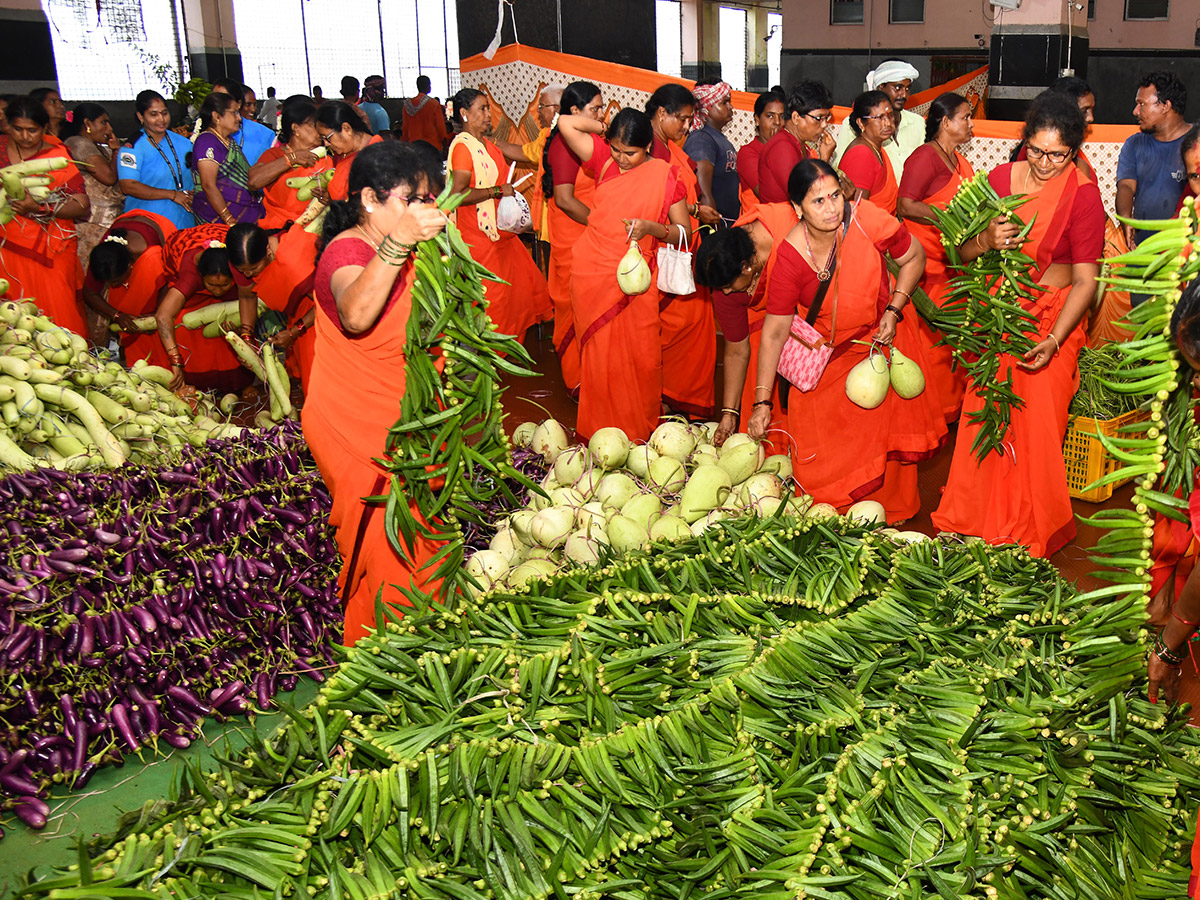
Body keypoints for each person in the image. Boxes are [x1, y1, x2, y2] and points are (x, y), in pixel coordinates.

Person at [931, 93, 1104, 558]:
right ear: (1024, 140)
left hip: (1053, 320)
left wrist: (1054, 338)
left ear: (1075, 150)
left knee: (1038, 427)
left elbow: (1088, 280)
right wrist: (985, 239)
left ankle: (1032, 525)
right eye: (1036, 150)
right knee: (984, 416)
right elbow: (957, 253)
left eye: (1058, 155)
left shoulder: (1084, 196)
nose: (1045, 163)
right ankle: (973, 517)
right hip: (1000, 316)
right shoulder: (1001, 179)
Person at [305, 141, 449, 643]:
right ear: (370, 198)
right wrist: (399, 243)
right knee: (387, 549)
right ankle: (381, 662)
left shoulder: (406, 249)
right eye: (413, 200)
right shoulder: (348, 251)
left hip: (403, 418)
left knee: (415, 547)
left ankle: (416, 654)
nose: (424, 210)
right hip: (357, 425)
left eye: (429, 199)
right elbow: (357, 314)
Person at [747, 160, 942, 522]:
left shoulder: (868, 221)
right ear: (797, 209)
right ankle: (833, 515)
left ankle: (889, 514)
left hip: (877, 346)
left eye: (835, 195)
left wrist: (894, 309)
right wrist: (762, 401)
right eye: (817, 201)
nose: (832, 208)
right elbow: (775, 330)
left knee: (883, 438)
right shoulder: (790, 255)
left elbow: (915, 256)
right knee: (819, 455)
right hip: (824, 361)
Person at [556, 108, 692, 441]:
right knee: (601, 359)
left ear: (647, 146)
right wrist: (607, 128)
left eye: (629, 152)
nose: (622, 158)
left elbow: (683, 232)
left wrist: (651, 228)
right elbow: (565, 123)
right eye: (616, 149)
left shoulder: (664, 174)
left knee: (642, 358)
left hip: (635, 280)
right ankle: (600, 432)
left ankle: (636, 432)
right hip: (593, 275)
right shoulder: (603, 159)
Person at [448, 88, 552, 343]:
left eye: (487, 108)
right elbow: (456, 194)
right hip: (478, 235)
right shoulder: (463, 148)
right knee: (493, 297)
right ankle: (490, 352)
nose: (488, 114)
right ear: (464, 114)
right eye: (482, 109)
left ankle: (505, 347)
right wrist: (496, 191)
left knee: (518, 290)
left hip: (500, 234)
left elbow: (521, 156)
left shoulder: (486, 144)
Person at [693, 200, 798, 451]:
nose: (726, 292)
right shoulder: (725, 282)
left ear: (746, 267)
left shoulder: (793, 236)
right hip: (764, 336)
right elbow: (737, 349)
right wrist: (729, 412)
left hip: (806, 331)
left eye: (728, 285)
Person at [897, 92, 975, 425]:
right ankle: (928, 413)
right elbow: (905, 205)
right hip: (926, 265)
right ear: (945, 122)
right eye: (966, 117)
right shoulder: (924, 157)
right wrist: (947, 217)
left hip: (955, 264)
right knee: (933, 341)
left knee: (955, 341)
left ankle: (949, 409)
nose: (971, 124)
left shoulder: (959, 160)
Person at [645, 83, 717, 421]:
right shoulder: (652, 152)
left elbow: (685, 186)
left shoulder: (669, 147)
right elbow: (655, 203)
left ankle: (675, 399)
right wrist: (691, 212)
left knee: (691, 330)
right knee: (673, 330)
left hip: (686, 245)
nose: (688, 127)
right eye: (684, 119)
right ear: (662, 114)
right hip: (667, 251)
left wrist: (697, 207)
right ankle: (664, 397)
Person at [0, 96, 90, 335]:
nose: (25, 136)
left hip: (51, 249)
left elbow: (82, 206)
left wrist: (39, 207)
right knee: (12, 320)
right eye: (18, 129)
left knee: (58, 315)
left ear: (45, 128)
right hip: (6, 249)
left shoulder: (57, 156)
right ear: (8, 125)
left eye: (33, 130)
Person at [539, 81, 604, 394]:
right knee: (572, 309)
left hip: (587, 233)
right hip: (575, 234)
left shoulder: (584, 142)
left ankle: (591, 377)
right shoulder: (564, 145)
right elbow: (565, 199)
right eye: (595, 109)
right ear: (574, 112)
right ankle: (578, 382)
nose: (601, 115)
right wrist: (600, 225)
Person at [226, 221, 320, 392]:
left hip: (321, 312)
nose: (247, 274)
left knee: (318, 378)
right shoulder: (242, 262)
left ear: (268, 251)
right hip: (298, 314)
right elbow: (247, 296)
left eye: (253, 268)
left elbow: (326, 302)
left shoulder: (293, 262)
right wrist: (247, 338)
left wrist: (297, 329)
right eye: (242, 270)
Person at [155, 223, 250, 392]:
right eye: (211, 284)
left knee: (237, 319)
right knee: (184, 327)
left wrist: (246, 334)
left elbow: (248, 299)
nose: (218, 291)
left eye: (224, 285)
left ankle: (242, 382)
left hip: (222, 242)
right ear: (201, 276)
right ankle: (196, 381)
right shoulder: (190, 275)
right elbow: (163, 316)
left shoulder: (240, 268)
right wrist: (175, 360)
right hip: (185, 257)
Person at [63, 102, 126, 345]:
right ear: (87, 124)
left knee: (106, 288)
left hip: (105, 225)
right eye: (103, 122)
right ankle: (90, 346)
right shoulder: (79, 144)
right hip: (92, 227)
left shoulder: (93, 146)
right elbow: (109, 178)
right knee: (93, 288)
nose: (108, 127)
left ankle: (99, 345)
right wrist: (116, 151)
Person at [83, 210, 177, 364]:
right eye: (109, 283)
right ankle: (128, 348)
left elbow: (169, 283)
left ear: (130, 265)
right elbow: (89, 292)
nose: (111, 285)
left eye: (115, 281)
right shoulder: (104, 256)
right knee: (126, 306)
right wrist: (117, 315)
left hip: (156, 256)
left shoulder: (151, 254)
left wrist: (158, 314)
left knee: (155, 309)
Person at [1117, 70, 1190, 250]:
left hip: (1186, 252)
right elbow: (1126, 186)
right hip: (1142, 249)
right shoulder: (1134, 144)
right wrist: (1126, 219)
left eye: (1141, 104)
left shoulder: (1195, 143)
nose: (1135, 111)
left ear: (1165, 106)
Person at [833, 59, 924, 181]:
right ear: (881, 87)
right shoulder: (856, 123)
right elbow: (840, 168)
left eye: (907, 89)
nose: (903, 95)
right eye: (898, 88)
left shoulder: (918, 123)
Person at [117, 90, 194, 230]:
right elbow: (128, 186)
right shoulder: (132, 148)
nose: (161, 119)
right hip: (148, 225)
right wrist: (172, 195)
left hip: (184, 221)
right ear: (141, 117)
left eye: (164, 113)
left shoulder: (184, 142)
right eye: (153, 114)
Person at [249, 98, 331, 229]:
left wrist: (329, 198)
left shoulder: (326, 157)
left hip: (316, 230)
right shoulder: (275, 155)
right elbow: (254, 182)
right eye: (313, 125)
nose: (320, 130)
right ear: (295, 128)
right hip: (279, 230)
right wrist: (292, 159)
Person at [191, 92, 263, 226]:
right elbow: (208, 185)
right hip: (218, 220)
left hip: (246, 213)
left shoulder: (228, 142)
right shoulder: (206, 142)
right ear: (216, 116)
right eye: (234, 113)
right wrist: (229, 219)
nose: (239, 118)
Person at [758, 80, 835, 203]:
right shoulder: (782, 147)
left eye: (827, 118)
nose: (825, 124)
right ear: (796, 118)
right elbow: (803, 196)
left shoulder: (800, 144)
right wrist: (824, 159)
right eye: (819, 118)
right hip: (781, 220)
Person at [684, 80, 740, 224]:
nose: (730, 107)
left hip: (727, 224)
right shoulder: (701, 139)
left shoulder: (717, 138)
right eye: (724, 103)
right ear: (707, 108)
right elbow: (704, 194)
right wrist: (714, 228)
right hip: (714, 225)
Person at [838, 90, 899, 214]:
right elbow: (856, 211)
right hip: (869, 231)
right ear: (861, 122)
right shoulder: (861, 155)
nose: (888, 123)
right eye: (879, 118)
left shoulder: (876, 147)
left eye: (890, 115)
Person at [318, 100, 384, 202]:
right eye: (323, 140)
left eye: (327, 138)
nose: (326, 144)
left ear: (346, 128)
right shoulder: (344, 154)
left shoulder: (377, 157)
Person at [737, 90, 785, 211]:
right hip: (757, 226)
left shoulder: (792, 150)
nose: (777, 122)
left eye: (782, 117)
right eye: (770, 116)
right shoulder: (748, 153)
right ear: (757, 119)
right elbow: (767, 195)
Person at [402, 75, 447, 149]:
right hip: (432, 146)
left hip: (413, 146)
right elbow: (440, 127)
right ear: (427, 86)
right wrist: (445, 143)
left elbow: (405, 128)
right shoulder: (433, 104)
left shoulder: (407, 105)